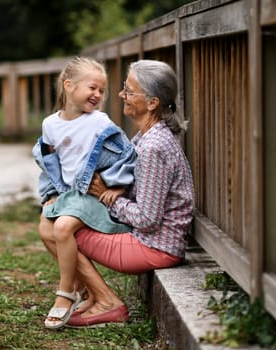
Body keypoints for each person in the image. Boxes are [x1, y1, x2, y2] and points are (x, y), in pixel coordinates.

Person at [39, 59, 195, 328]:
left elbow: (147, 219)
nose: (121, 95)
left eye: (130, 91)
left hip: (155, 246)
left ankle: (104, 301)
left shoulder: (154, 147)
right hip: (145, 237)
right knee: (49, 224)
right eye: (124, 88)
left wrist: (104, 194)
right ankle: (93, 296)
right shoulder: (146, 136)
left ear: (153, 102)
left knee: (57, 229)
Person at [32, 56, 136, 329]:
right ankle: (85, 289)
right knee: (45, 229)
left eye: (101, 90)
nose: (98, 95)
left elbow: (128, 155)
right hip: (69, 195)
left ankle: (66, 292)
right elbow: (49, 164)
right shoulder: (50, 125)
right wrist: (51, 194)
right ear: (68, 85)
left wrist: (117, 184)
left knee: (63, 228)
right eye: (92, 88)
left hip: (93, 197)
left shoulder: (100, 122)